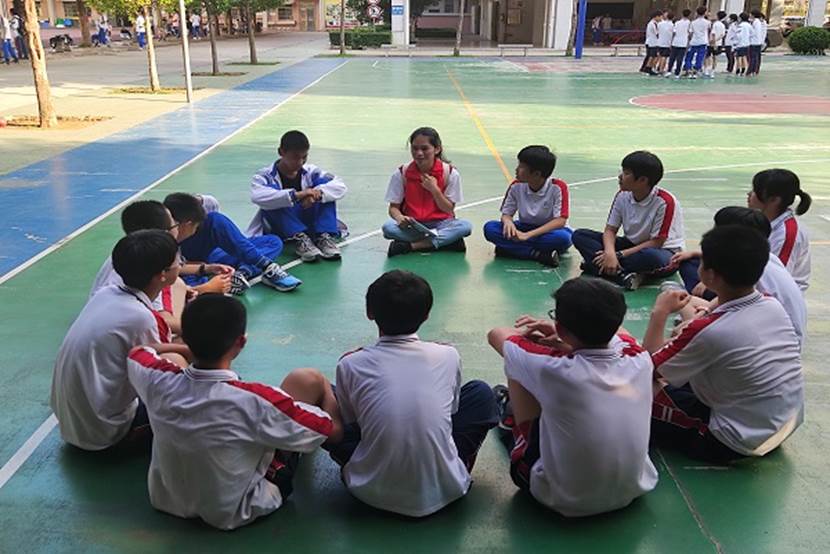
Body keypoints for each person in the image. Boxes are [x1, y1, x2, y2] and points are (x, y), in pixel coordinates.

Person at [127, 294, 341, 530]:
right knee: (307, 380)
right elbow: (327, 429)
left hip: (167, 501)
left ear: (185, 337)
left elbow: (138, 351)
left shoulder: (157, 380)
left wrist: (184, 348)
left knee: (172, 359)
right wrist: (326, 389)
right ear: (241, 342)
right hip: (237, 510)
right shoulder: (256, 401)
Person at [325, 270, 498, 517]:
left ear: (369, 312)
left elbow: (353, 421)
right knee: (481, 392)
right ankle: (453, 464)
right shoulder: (448, 354)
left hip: (367, 492)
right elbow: (452, 411)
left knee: (327, 402)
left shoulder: (351, 363)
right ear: (427, 315)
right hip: (446, 490)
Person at [487, 277, 658, 516]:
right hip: (633, 489)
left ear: (560, 327)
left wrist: (555, 339)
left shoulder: (553, 368)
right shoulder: (640, 358)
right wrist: (565, 339)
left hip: (559, 498)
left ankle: (512, 422)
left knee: (517, 366)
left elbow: (496, 334)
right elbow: (621, 334)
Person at [644, 225, 803, 463]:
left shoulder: (710, 331)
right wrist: (703, 313)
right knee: (684, 373)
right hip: (782, 424)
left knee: (636, 392)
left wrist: (660, 312)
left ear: (710, 276)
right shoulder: (772, 305)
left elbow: (645, 369)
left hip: (733, 441)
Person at [51, 230, 192, 451]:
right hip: (106, 434)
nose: (181, 264)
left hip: (72, 426)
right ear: (162, 275)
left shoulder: (106, 294)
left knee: (178, 350)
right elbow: (153, 373)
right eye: (178, 262)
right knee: (182, 375)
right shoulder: (140, 318)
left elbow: (147, 348)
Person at [89, 200, 233, 335]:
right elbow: (161, 322)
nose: (177, 226)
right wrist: (205, 290)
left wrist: (205, 269)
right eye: (174, 224)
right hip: (130, 329)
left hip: (109, 321)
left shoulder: (130, 253)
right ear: (164, 233)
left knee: (178, 285)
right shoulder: (153, 275)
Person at [671, 206, 806, 347]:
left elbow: (660, 357)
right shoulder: (762, 258)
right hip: (780, 333)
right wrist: (705, 311)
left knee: (685, 305)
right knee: (686, 299)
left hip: (769, 339)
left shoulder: (749, 270)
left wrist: (666, 316)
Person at [572, 151, 684, 290]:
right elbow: (610, 230)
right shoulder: (622, 195)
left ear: (642, 180)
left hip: (661, 251)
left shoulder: (664, 202)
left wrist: (618, 255)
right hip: (631, 245)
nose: (620, 176)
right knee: (580, 235)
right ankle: (622, 275)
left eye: (626, 173)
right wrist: (610, 253)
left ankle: (597, 266)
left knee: (650, 257)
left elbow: (656, 242)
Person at [164, 193, 301, 293]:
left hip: (206, 257)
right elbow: (179, 292)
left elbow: (212, 203)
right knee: (215, 219)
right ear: (187, 225)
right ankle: (263, 265)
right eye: (195, 227)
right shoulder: (161, 247)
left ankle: (244, 272)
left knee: (273, 241)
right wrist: (207, 287)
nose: (196, 230)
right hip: (190, 266)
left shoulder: (175, 220)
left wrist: (207, 268)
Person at [247, 130, 347, 263]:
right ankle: (299, 239)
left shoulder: (311, 171)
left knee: (325, 191)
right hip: (282, 224)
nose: (300, 162)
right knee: (273, 201)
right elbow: (258, 197)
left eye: (304, 157)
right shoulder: (264, 176)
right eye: (295, 157)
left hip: (308, 218)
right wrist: (298, 195)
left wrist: (316, 194)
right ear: (281, 152)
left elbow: (340, 186)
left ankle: (323, 237)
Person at [381, 127, 473, 257]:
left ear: (437, 149)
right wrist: (400, 218)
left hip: (442, 223)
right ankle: (443, 242)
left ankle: (412, 246)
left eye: (424, 149)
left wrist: (435, 190)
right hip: (413, 224)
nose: (419, 153)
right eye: (415, 148)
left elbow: (448, 209)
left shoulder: (450, 173)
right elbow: (393, 207)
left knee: (465, 226)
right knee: (388, 228)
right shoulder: (402, 173)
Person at [483, 145, 571, 267]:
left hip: (549, 231)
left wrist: (527, 236)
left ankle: (511, 249)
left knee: (563, 238)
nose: (516, 169)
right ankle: (537, 255)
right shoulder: (516, 186)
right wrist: (508, 223)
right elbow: (506, 214)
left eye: (521, 167)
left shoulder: (558, 187)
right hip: (524, 226)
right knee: (490, 228)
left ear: (536, 174)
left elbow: (560, 221)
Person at [748, 169, 811, 291]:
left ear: (774, 200)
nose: (749, 194)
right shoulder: (764, 222)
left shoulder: (786, 234)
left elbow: (775, 281)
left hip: (775, 296)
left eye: (755, 190)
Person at [682, 6, 710, 79]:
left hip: (694, 41)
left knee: (689, 56)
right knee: (700, 57)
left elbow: (690, 32)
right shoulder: (707, 22)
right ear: (705, 13)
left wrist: (689, 40)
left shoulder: (693, 22)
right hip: (703, 41)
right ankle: (696, 70)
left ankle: (688, 69)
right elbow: (708, 31)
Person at [668, 10, 691, 79]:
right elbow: (690, 34)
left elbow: (674, 33)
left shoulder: (677, 22)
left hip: (675, 42)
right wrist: (688, 43)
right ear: (689, 15)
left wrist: (671, 42)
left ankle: (669, 71)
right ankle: (677, 73)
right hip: (683, 43)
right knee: (680, 59)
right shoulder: (689, 23)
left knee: (672, 58)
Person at [703, 11, 727, 78]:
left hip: (711, 43)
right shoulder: (722, 25)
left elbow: (713, 34)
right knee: (715, 57)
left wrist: (713, 42)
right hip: (718, 43)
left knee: (707, 56)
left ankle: (706, 70)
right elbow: (722, 35)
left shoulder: (715, 24)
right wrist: (717, 40)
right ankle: (712, 71)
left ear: (717, 16)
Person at [641, 11, 662, 75]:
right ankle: (648, 68)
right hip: (652, 42)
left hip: (651, 42)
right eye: (660, 17)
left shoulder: (652, 23)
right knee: (652, 56)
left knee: (651, 56)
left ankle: (647, 68)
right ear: (656, 16)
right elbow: (657, 33)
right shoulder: (653, 24)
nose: (661, 18)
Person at [747, 9, 767, 76]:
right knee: (755, 57)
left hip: (754, 42)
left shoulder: (756, 22)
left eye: (750, 14)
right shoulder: (756, 22)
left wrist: (750, 34)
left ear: (753, 15)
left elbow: (755, 32)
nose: (749, 15)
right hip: (756, 42)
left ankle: (751, 71)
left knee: (753, 58)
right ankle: (754, 71)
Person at [656, 11, 674, 76]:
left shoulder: (660, 24)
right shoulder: (672, 25)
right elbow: (673, 34)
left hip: (659, 42)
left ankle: (658, 68)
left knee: (660, 56)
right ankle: (661, 70)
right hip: (667, 43)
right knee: (664, 57)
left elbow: (657, 32)